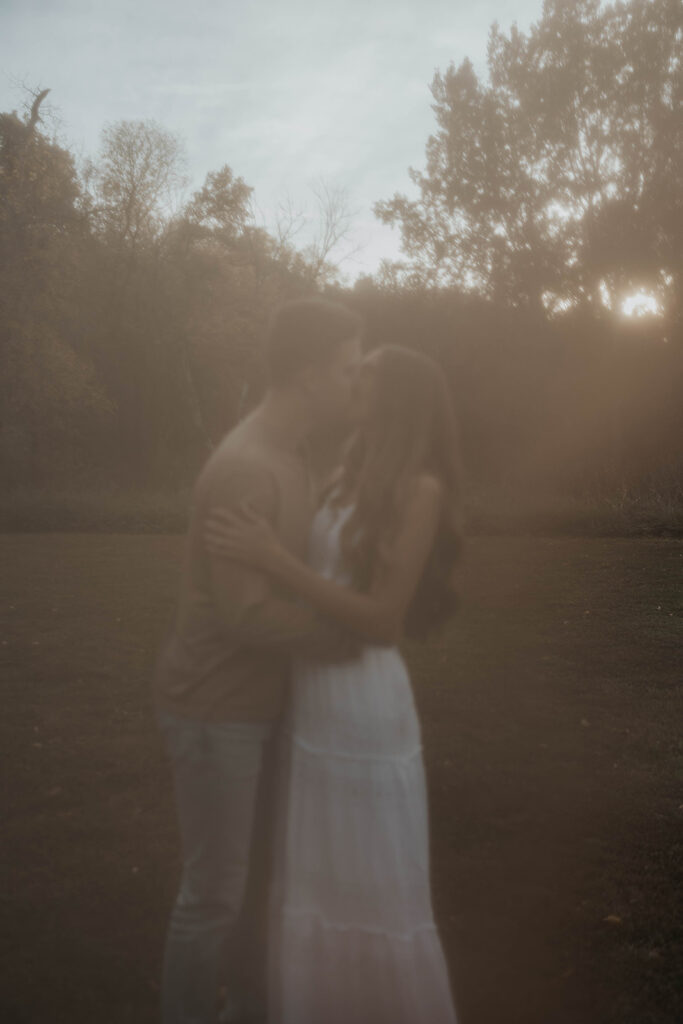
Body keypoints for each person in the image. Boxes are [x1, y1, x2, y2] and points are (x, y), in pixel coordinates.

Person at [205, 344, 464, 1024]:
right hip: (311, 698)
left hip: (363, 704)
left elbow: (382, 621)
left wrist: (271, 561)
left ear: (398, 397)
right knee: (316, 884)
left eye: (367, 374)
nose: (353, 380)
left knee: (369, 889)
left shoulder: (421, 489)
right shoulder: (347, 473)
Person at [153, 297, 364, 1024]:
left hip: (260, 706)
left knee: (256, 885)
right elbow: (245, 614)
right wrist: (344, 634)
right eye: (345, 369)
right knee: (213, 893)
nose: (354, 383)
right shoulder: (247, 467)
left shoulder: (292, 455)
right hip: (215, 707)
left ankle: (247, 1010)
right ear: (308, 374)